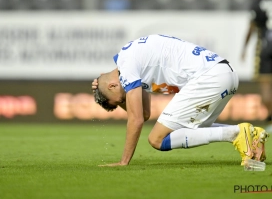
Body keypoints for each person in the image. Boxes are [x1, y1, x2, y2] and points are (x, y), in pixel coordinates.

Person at [92, 34, 269, 166]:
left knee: (157, 139)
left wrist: (124, 161)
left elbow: (136, 119)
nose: (124, 100)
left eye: (119, 100)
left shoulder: (127, 65)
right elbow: (144, 114)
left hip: (209, 77)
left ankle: (237, 134)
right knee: (189, 130)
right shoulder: (131, 63)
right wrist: (102, 84)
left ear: (113, 86)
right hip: (226, 74)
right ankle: (251, 138)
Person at [241, 0, 272, 132]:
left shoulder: (257, 2)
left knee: (266, 87)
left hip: (265, 47)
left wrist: (244, 48)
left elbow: (252, 27)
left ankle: (271, 120)